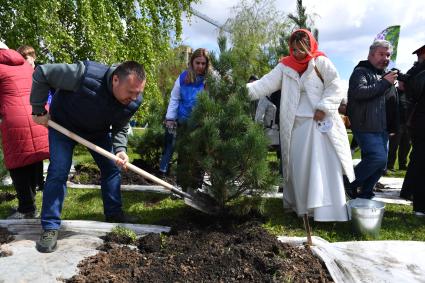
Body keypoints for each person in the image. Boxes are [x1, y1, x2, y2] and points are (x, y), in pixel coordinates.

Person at [30, 60, 146, 253]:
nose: (134, 98)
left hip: (97, 132)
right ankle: (50, 227)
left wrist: (120, 149)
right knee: (59, 170)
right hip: (63, 127)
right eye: (130, 92)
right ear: (115, 79)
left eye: (138, 92)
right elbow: (42, 72)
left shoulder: (133, 100)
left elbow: (120, 125)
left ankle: (114, 216)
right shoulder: (83, 75)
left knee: (112, 168)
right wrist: (38, 109)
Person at [247, 29, 354, 222]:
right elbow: (263, 84)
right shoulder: (284, 66)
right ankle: (303, 208)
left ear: (310, 46)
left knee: (322, 165)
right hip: (296, 124)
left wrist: (324, 106)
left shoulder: (322, 62)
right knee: (300, 165)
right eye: (294, 49)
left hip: (320, 123)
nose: (297, 53)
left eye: (301, 49)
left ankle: (327, 211)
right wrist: (238, 92)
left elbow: (335, 86)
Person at [0, 42, 49, 219]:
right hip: (37, 114)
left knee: (18, 162)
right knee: (33, 156)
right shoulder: (24, 64)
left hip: (15, 118)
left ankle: (26, 207)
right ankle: (31, 203)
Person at [345, 40, 398, 199]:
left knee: (381, 165)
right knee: (377, 158)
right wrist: (384, 83)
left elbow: (391, 103)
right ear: (371, 54)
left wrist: (393, 127)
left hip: (382, 129)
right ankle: (347, 182)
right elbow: (359, 93)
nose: (386, 58)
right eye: (382, 54)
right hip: (365, 126)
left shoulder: (384, 76)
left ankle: (365, 194)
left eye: (388, 55)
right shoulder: (361, 72)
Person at [158, 48, 210, 184]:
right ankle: (180, 184)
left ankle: (197, 184)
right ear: (192, 62)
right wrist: (170, 118)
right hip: (184, 120)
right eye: (197, 63)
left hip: (202, 122)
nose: (200, 66)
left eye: (203, 63)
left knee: (200, 153)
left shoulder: (209, 80)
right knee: (184, 153)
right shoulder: (183, 77)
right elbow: (174, 98)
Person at [399, 44, 425, 216]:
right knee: (420, 160)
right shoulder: (418, 71)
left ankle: (409, 192)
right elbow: (410, 89)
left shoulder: (416, 71)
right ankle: (420, 205)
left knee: (418, 158)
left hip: (418, 119)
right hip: (420, 119)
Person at [16, 44, 46, 191]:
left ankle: (40, 181)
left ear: (33, 57)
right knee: (31, 149)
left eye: (26, 57)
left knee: (40, 150)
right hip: (26, 112)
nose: (25, 61)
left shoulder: (40, 72)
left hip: (41, 112)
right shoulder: (20, 74)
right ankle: (34, 182)